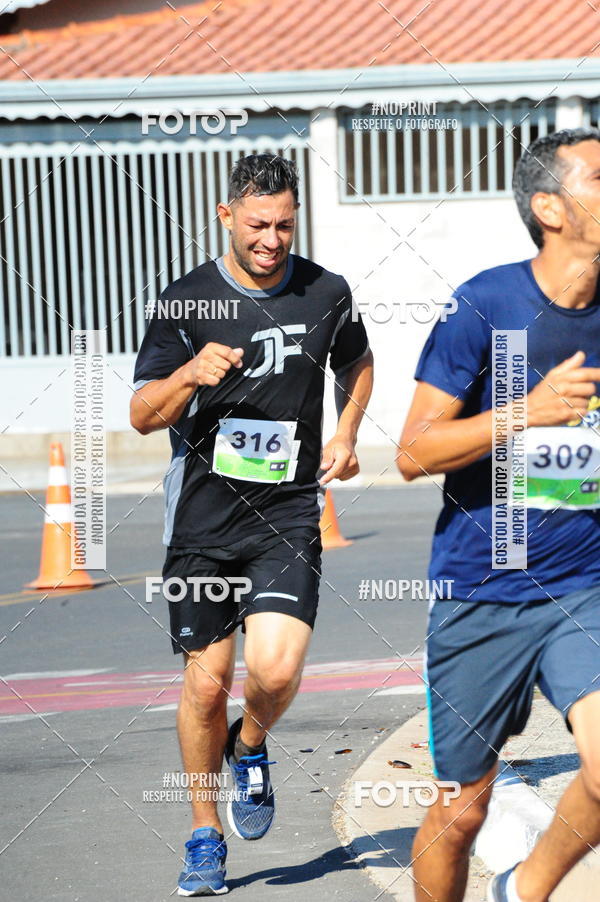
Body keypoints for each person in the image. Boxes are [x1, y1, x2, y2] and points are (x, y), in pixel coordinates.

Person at [131, 154, 373, 896]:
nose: (272, 239)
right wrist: (188, 375)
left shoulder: (324, 290)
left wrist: (347, 434)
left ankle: (252, 744)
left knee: (275, 671)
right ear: (226, 216)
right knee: (206, 687)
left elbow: (358, 363)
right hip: (203, 523)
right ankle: (204, 833)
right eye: (259, 224)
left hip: (286, 512)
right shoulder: (188, 300)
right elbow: (143, 416)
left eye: (285, 225)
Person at [399, 128, 600, 902]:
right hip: (483, 588)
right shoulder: (485, 304)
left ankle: (525, 889)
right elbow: (414, 452)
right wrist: (527, 412)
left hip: (584, 583)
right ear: (549, 206)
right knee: (461, 811)